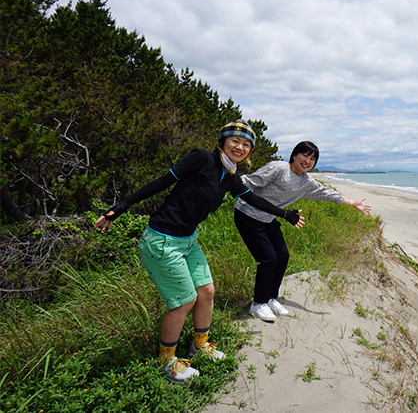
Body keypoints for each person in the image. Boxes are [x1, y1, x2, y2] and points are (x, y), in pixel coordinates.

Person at [93, 120, 304, 384]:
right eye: (234, 141)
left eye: (246, 144)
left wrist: (285, 214)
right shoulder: (201, 159)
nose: (239, 147)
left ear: (250, 151)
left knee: (206, 292)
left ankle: (199, 345)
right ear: (223, 142)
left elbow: (253, 198)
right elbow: (162, 182)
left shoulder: (230, 177)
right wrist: (121, 206)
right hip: (162, 241)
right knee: (184, 301)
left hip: (188, 241)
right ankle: (167, 361)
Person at [234, 141, 372, 322]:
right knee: (268, 258)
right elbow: (248, 181)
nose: (307, 161)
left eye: (312, 158)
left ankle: (270, 298)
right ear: (294, 155)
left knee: (282, 256)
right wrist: (221, 187)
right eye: (304, 155)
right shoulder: (278, 168)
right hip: (248, 214)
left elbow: (326, 193)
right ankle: (258, 304)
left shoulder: (306, 182)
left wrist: (353, 204)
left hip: (268, 218)